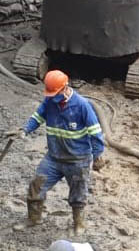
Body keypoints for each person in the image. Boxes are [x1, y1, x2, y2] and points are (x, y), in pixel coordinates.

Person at [21, 69, 105, 234]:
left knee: (78, 194)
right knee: (36, 186)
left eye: (56, 93)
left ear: (65, 88)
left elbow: (95, 132)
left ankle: (79, 223)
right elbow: (37, 118)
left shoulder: (82, 106)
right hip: (54, 157)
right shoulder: (50, 101)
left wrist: (97, 155)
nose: (53, 98)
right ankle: (33, 218)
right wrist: (24, 131)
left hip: (77, 159)